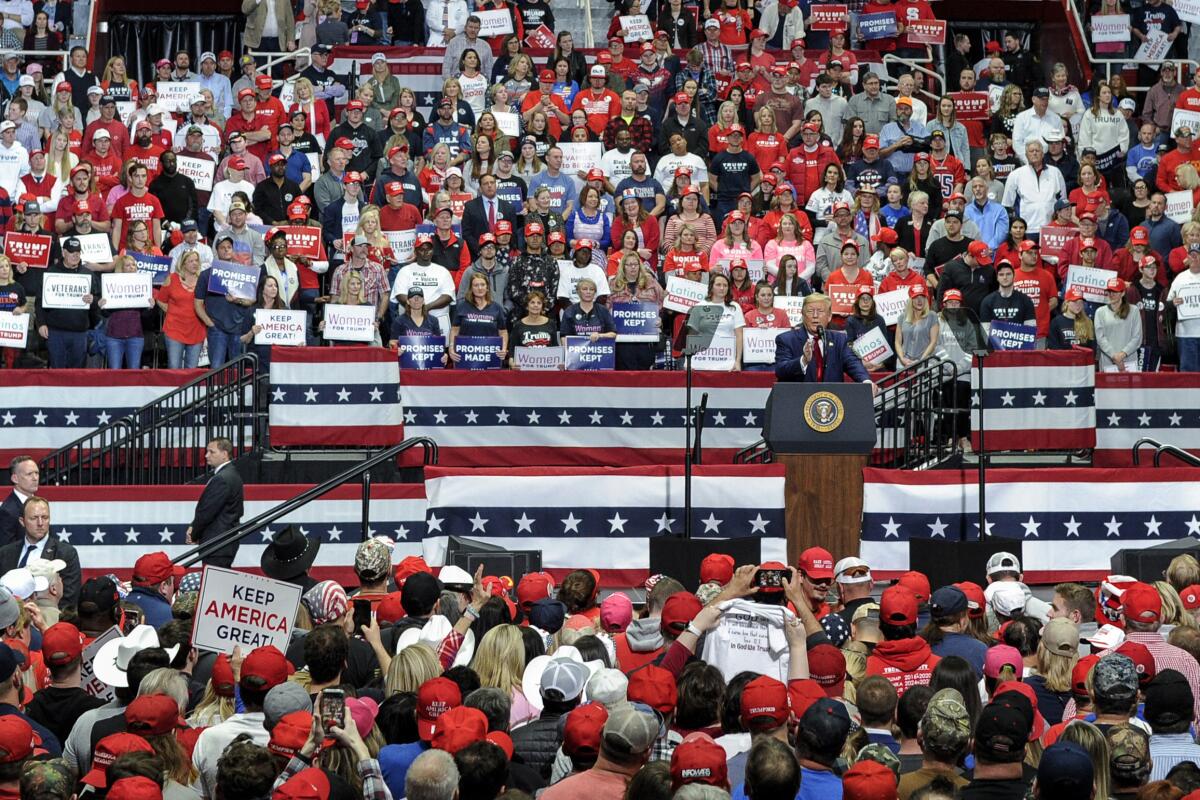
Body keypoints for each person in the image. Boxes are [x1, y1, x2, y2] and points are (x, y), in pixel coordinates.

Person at [775, 292, 874, 389]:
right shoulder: (786, 339)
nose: (815, 315)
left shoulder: (840, 340)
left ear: (829, 316)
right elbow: (781, 370)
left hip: (830, 400)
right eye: (810, 311)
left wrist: (865, 381)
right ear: (803, 316)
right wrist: (803, 360)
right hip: (797, 400)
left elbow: (853, 363)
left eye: (820, 311)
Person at [0, 497, 80, 608]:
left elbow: (69, 599)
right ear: (22, 522)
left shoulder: (66, 553)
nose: (40, 523)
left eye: (45, 517)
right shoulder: (5, 553)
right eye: (34, 518)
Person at [186, 438, 245, 569]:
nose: (207, 455)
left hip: (217, 544)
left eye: (212, 452)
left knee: (214, 587)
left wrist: (194, 532)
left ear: (224, 454)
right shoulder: (230, 474)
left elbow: (207, 511)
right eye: (207, 452)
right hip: (222, 544)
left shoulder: (222, 478)